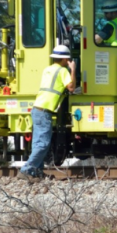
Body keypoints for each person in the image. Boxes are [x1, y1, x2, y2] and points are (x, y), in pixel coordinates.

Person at [20, 44, 76, 180]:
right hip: (45, 110)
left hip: (37, 108)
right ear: (64, 60)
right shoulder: (63, 71)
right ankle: (26, 169)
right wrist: (73, 69)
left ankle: (36, 171)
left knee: (37, 143)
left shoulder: (48, 69)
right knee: (43, 143)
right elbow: (71, 87)